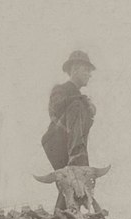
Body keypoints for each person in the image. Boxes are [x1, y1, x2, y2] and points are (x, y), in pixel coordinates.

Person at [43, 51, 97, 201]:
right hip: (56, 142)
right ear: (74, 69)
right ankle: (77, 159)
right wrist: (83, 101)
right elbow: (56, 109)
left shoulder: (81, 101)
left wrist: (90, 112)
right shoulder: (60, 89)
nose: (89, 74)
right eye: (86, 70)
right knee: (72, 179)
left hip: (73, 144)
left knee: (71, 186)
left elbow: (82, 129)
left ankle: (64, 216)